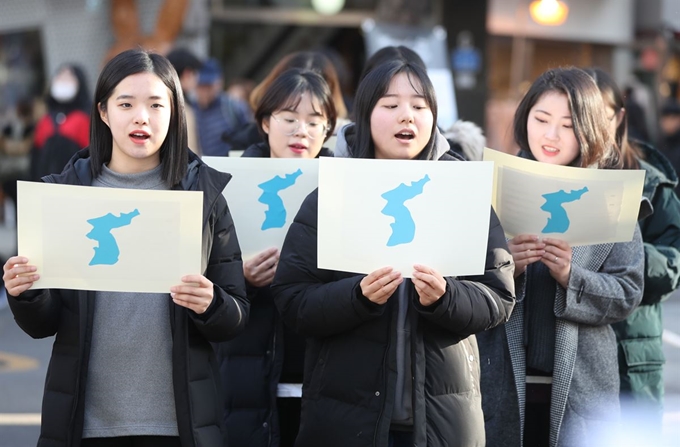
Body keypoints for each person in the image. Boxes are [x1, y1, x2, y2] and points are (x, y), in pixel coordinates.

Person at [2, 49, 249, 447]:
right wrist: (24, 292)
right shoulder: (63, 196)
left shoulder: (203, 196)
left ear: (174, 112)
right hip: (85, 425)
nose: (142, 117)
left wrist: (211, 303)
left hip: (179, 426)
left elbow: (235, 317)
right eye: (126, 104)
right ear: (102, 111)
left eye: (156, 105)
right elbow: (42, 324)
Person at [271, 59, 516, 447]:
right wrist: (357, 297)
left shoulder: (461, 194)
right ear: (365, 115)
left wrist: (446, 298)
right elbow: (292, 299)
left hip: (441, 423)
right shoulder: (332, 196)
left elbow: (498, 298)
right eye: (390, 105)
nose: (407, 116)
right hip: (344, 423)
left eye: (420, 106)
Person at [477, 67, 645, 447]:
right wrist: (508, 267)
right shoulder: (492, 185)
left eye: (568, 125)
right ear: (525, 120)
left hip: (582, 388)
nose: (551, 135)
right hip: (497, 382)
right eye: (541, 119)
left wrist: (572, 275)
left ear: (590, 128)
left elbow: (629, 290)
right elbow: (458, 285)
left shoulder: (610, 194)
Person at [215, 68, 337, 447]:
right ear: (265, 122)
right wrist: (241, 278)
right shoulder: (228, 184)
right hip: (248, 369)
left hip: (322, 370)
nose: (301, 131)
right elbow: (204, 286)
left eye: (315, 121)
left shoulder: (345, 189)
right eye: (289, 119)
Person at [585, 67, 680, 438]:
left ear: (619, 117)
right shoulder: (543, 176)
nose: (587, 127)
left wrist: (622, 261)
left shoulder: (651, 182)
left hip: (631, 354)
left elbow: (673, 265)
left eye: (599, 116)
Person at [31, 63, 91, 180]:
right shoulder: (44, 120)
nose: (63, 81)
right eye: (60, 77)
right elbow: (35, 160)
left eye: (68, 77)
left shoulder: (85, 119)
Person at [193, 58, 252, 156]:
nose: (204, 90)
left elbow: (250, 139)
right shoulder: (190, 110)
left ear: (219, 83)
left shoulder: (233, 107)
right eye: (201, 85)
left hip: (228, 166)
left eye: (208, 85)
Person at [166, 47, 203, 154]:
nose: (197, 79)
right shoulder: (181, 107)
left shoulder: (160, 103)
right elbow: (190, 150)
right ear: (187, 73)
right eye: (195, 74)